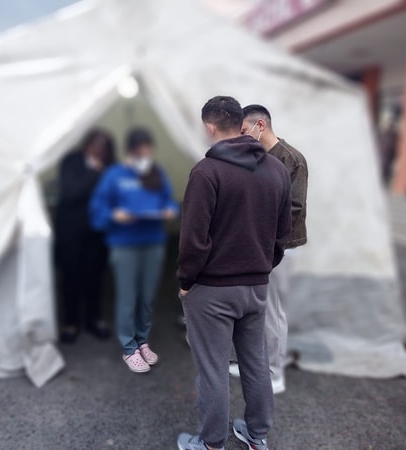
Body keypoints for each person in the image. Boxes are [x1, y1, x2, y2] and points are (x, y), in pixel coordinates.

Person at [176, 96, 291, 450]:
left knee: (213, 368)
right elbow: (282, 234)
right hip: (256, 285)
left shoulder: (206, 172)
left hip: (212, 289)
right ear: (240, 123)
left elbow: (194, 240)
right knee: (255, 362)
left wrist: (185, 283)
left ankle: (211, 443)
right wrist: (261, 267)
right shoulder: (277, 170)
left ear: (210, 127)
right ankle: (257, 435)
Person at [229, 104, 308, 394]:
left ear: (259, 125)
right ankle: (251, 364)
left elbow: (294, 209)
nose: (241, 137)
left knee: (272, 311)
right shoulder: (257, 157)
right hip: (257, 245)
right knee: (254, 309)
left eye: (243, 131)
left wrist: (263, 236)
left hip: (281, 247)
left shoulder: (291, 160)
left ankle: (274, 373)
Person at [90, 127, 178, 373]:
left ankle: (142, 340)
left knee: (147, 297)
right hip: (124, 244)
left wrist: (171, 210)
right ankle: (129, 347)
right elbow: (98, 210)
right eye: (141, 150)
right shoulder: (115, 174)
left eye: (149, 150)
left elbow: (169, 200)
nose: (145, 154)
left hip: (153, 242)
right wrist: (114, 214)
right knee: (128, 297)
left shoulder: (156, 172)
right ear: (131, 149)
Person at [55, 129, 116, 344]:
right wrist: (93, 172)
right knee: (70, 277)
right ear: (86, 144)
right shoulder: (71, 161)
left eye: (104, 146)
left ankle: (94, 319)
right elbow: (70, 192)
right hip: (70, 231)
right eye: (95, 144)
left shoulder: (111, 167)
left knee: (95, 278)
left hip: (98, 233)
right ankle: (71, 322)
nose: (99, 150)